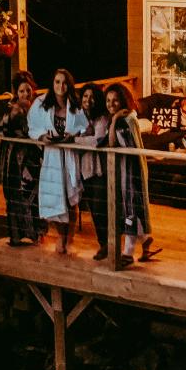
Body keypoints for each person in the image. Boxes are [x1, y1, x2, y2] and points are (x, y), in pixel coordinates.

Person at [28, 68, 88, 254]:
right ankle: (61, 237)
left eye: (64, 82)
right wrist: (41, 137)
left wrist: (76, 134)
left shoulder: (76, 106)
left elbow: (86, 127)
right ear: (52, 84)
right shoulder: (41, 104)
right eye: (57, 82)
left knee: (71, 198)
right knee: (55, 197)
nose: (60, 86)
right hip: (52, 156)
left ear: (69, 85)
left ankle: (68, 239)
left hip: (70, 155)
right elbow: (32, 126)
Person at [104, 82, 160, 263]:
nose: (111, 104)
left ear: (123, 101)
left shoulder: (129, 120)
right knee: (129, 208)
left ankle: (127, 253)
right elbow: (111, 143)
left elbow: (129, 147)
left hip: (131, 172)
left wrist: (115, 121)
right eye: (108, 100)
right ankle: (145, 238)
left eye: (115, 100)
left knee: (131, 209)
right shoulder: (118, 120)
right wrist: (113, 120)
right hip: (122, 171)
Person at [0, 71, 43, 246]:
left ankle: (35, 234)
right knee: (14, 195)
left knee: (33, 194)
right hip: (13, 158)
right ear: (17, 93)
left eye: (28, 90)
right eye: (22, 91)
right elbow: (1, 130)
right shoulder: (11, 108)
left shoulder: (38, 108)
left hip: (32, 157)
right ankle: (15, 235)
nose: (25, 94)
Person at [74, 83, 110, 259]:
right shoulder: (80, 117)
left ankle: (108, 244)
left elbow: (97, 140)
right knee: (94, 210)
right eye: (85, 96)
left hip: (99, 170)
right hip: (85, 168)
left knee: (100, 207)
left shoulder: (101, 118)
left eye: (92, 96)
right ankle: (104, 244)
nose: (88, 100)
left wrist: (76, 141)